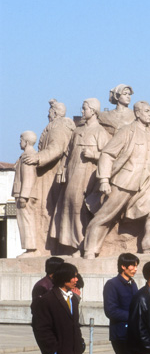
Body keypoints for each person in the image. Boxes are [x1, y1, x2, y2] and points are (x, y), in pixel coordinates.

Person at [83, 101, 150, 257]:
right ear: (137, 113)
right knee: (105, 215)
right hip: (125, 181)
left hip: (146, 182)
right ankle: (90, 248)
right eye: (147, 111)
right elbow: (107, 154)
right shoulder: (127, 131)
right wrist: (104, 180)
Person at [52, 98, 110, 255]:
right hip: (72, 174)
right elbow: (68, 153)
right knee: (69, 207)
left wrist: (94, 154)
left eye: (85, 108)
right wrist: (62, 169)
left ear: (93, 111)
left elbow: (109, 156)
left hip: (88, 176)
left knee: (81, 208)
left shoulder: (100, 132)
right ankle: (73, 244)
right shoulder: (77, 131)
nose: (82, 111)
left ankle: (83, 245)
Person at [22, 99, 75, 254]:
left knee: (45, 210)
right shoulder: (55, 126)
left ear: (54, 112)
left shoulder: (58, 127)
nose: (48, 114)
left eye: (50, 111)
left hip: (52, 174)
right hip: (49, 172)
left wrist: (38, 158)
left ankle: (45, 249)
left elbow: (56, 148)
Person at [99, 252, 139, 354]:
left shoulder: (133, 284)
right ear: (123, 266)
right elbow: (111, 311)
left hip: (132, 334)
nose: (135, 269)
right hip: (120, 335)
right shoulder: (112, 284)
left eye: (136, 266)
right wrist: (133, 315)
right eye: (132, 266)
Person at [20, 256, 65, 354]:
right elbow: (39, 311)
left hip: (57, 327)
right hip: (45, 329)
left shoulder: (56, 284)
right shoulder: (42, 286)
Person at [12, 131, 39, 256]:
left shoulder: (28, 156)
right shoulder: (25, 155)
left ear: (26, 142)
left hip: (25, 195)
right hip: (23, 194)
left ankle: (31, 249)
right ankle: (29, 249)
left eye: (21, 139)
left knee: (27, 222)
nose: (19, 142)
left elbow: (28, 177)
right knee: (24, 222)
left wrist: (24, 196)